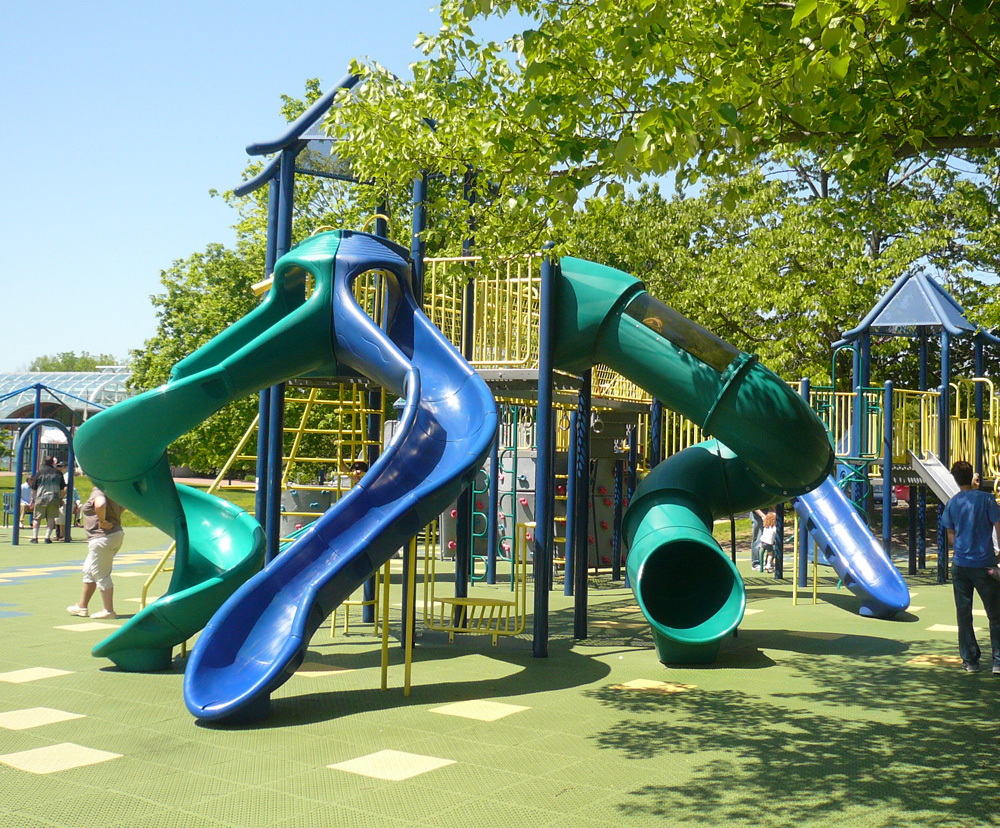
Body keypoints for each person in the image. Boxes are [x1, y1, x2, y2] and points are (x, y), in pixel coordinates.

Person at [940, 459, 1000, 674]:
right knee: (995, 614)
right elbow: (998, 527)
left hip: (961, 564)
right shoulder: (987, 499)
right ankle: (998, 660)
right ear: (973, 477)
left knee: (964, 614)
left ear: (955, 480)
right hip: (985, 564)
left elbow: (951, 539)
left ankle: (970, 661)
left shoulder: (952, 503)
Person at [67, 487, 125, 619]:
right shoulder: (112, 490)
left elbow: (100, 504)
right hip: (114, 535)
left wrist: (103, 521)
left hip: (102, 538)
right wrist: (113, 516)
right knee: (89, 570)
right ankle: (82, 606)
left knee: (101, 574)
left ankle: (108, 610)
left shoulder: (99, 490)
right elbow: (124, 506)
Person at [30, 456, 65, 544]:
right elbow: (62, 488)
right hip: (54, 497)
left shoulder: (40, 473)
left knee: (37, 518)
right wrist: (61, 498)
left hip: (41, 497)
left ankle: (35, 537)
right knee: (51, 518)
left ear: (44, 463)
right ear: (53, 462)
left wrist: (32, 500)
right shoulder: (58, 473)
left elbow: (34, 488)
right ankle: (47, 537)